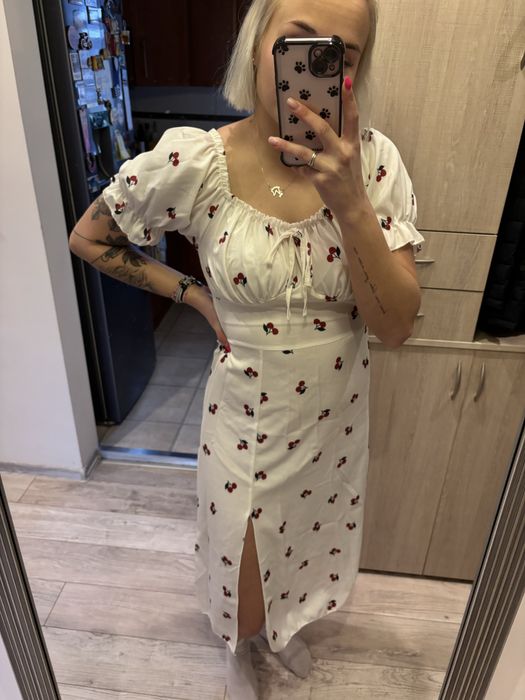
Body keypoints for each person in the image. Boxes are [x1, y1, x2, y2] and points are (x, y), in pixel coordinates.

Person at [69, 0, 424, 697]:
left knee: (307, 545)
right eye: (298, 42)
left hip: (332, 422)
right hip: (244, 416)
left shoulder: (376, 164)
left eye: (341, 55)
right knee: (243, 560)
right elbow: (90, 237)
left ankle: (278, 632)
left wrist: (349, 199)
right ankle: (239, 643)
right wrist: (192, 295)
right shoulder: (197, 161)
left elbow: (395, 327)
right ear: (257, 40)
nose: (317, 65)